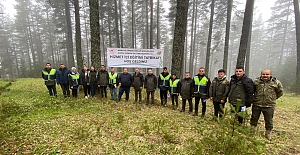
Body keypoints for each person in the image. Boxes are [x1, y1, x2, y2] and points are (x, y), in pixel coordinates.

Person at [250, 69, 283, 140]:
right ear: (261, 74)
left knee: (269, 120)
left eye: (267, 74)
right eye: (263, 74)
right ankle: (252, 131)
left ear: (270, 75)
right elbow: (252, 91)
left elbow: (280, 92)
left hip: (269, 105)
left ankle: (268, 133)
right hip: (257, 104)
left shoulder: (276, 82)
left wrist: (273, 98)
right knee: (254, 118)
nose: (265, 76)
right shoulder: (256, 82)